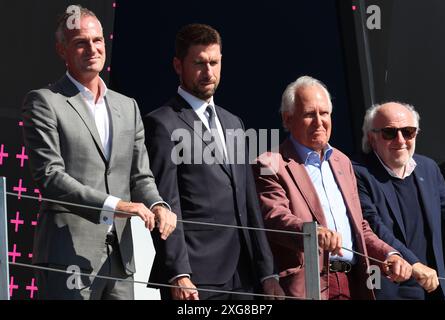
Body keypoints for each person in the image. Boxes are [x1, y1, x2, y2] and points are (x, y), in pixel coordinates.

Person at [21, 5, 177, 300]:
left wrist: (157, 204)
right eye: (80, 42)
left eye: (97, 40)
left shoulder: (127, 106)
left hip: (120, 259)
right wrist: (118, 206)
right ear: (62, 50)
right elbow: (50, 178)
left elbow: (140, 175)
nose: (92, 49)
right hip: (67, 254)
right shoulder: (44, 102)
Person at [143, 23, 284, 300]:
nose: (208, 72)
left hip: (245, 277)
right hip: (196, 277)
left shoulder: (234, 123)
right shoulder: (162, 123)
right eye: (199, 63)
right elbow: (167, 204)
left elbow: (249, 204)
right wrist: (178, 274)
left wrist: (268, 273)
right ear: (177, 65)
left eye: (214, 62)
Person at [253, 76, 412, 300]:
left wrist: (388, 254)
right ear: (287, 119)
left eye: (325, 113)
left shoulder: (342, 161)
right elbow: (274, 217)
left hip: (353, 284)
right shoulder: (269, 163)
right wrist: (312, 232)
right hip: (308, 286)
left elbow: (359, 227)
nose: (319, 122)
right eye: (309, 114)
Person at [353, 102, 445, 299]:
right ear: (372, 138)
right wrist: (414, 264)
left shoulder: (428, 167)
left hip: (434, 288)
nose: (401, 140)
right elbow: (372, 226)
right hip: (391, 289)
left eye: (408, 132)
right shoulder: (357, 172)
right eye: (389, 133)